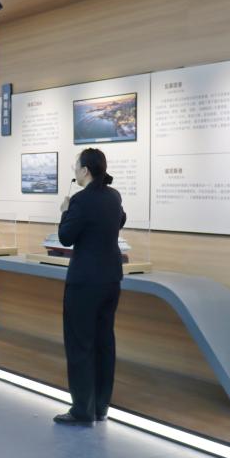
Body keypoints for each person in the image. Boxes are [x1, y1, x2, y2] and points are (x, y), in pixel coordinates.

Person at [53, 148, 127, 427]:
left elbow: (65, 237)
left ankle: (82, 410)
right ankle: (100, 407)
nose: (74, 171)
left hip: (84, 282)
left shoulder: (80, 200)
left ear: (85, 170)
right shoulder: (114, 196)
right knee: (104, 342)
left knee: (80, 344)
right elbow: (120, 220)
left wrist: (64, 212)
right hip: (111, 279)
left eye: (76, 167)